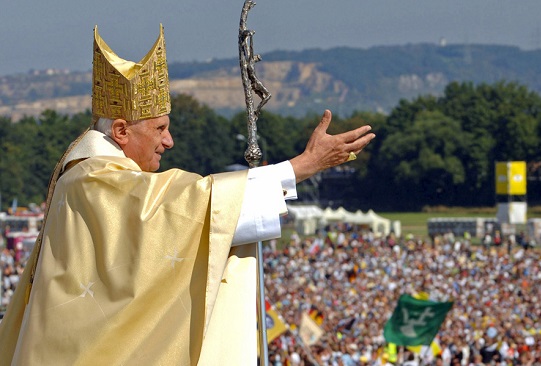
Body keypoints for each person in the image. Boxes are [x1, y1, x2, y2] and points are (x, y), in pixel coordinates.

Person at [0, 25, 374, 365]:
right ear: (120, 130)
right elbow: (190, 211)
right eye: (160, 128)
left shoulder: (90, 174)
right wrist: (302, 166)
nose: (169, 141)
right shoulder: (95, 180)